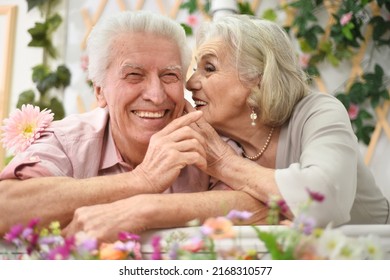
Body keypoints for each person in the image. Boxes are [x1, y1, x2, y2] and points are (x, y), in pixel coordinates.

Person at [0, 11, 267, 242]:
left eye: (169, 75)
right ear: (101, 92)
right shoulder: (69, 140)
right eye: (134, 75)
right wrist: (141, 180)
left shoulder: (204, 137)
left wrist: (144, 209)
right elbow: (6, 206)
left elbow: (260, 205)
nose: (157, 95)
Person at [185, 14, 390, 227]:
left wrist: (225, 164)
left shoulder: (318, 112)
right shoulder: (213, 140)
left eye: (209, 68)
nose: (190, 83)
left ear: (258, 80)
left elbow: (324, 200)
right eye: (194, 69)